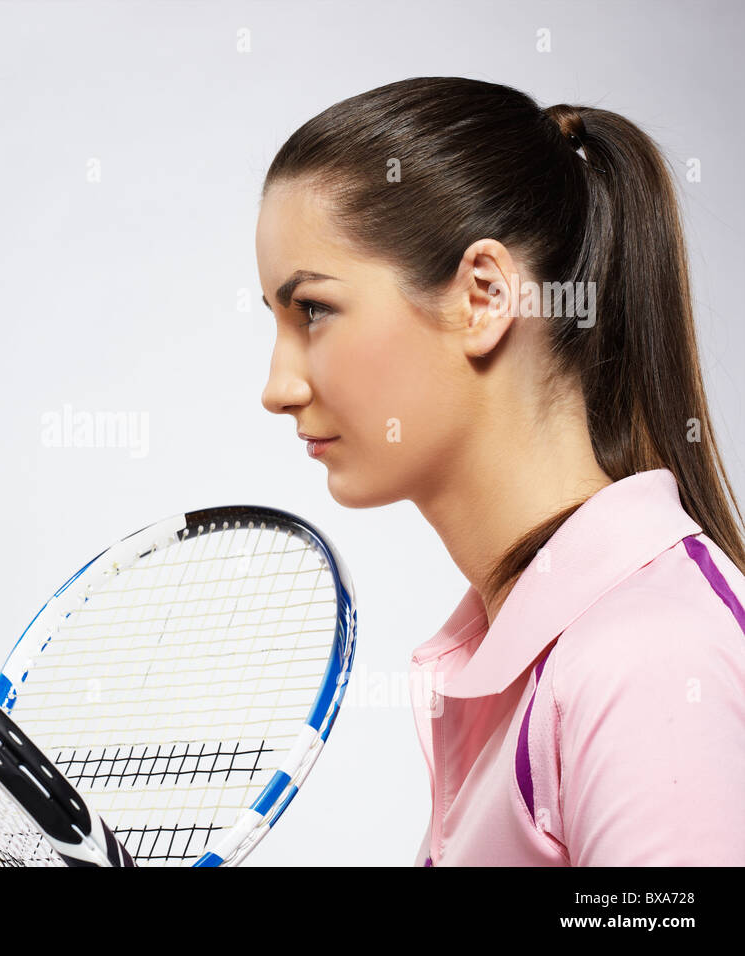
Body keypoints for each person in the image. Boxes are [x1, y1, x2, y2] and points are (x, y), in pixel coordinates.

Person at [256, 76, 745, 865]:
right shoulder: (526, 654)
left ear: (484, 298)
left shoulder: (650, 660)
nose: (278, 389)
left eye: (312, 309)